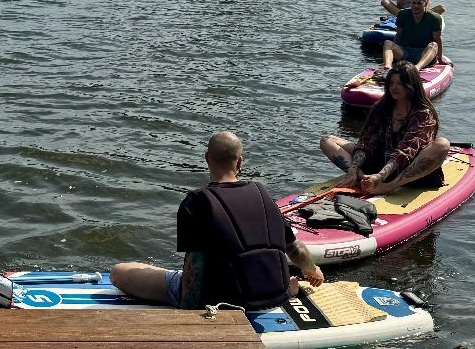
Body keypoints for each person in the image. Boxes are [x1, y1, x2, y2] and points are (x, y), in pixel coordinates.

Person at [111, 131, 323, 310]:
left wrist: (189, 309)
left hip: (226, 300)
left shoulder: (196, 201)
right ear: (239, 162)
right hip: (275, 293)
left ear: (206, 158)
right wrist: (313, 270)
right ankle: (290, 285)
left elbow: (194, 267)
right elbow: (294, 249)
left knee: (119, 272)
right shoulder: (263, 194)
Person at [320, 61, 450, 194]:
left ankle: (390, 186)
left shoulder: (423, 113)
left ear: (411, 85)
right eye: (392, 83)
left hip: (408, 169)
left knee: (442, 144)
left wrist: (380, 176)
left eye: (400, 83)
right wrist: (353, 170)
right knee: (327, 141)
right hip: (381, 161)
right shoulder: (381, 108)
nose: (394, 87)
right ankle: (360, 177)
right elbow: (367, 142)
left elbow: (406, 151)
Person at [380, 0, 443, 73]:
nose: (415, 6)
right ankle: (387, 68)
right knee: (388, 42)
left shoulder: (435, 18)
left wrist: (440, 59)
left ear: (426, 3)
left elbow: (437, 39)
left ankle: (417, 68)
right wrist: (393, 56)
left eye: (419, 3)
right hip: (405, 52)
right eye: (413, 3)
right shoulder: (402, 14)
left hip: (422, 53)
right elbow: (398, 35)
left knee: (434, 45)